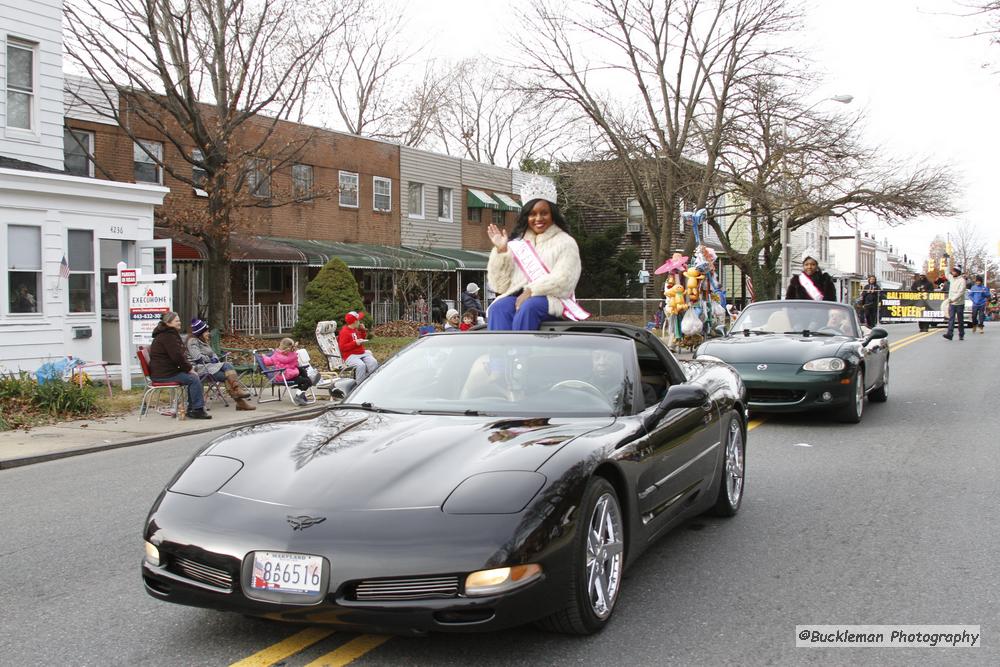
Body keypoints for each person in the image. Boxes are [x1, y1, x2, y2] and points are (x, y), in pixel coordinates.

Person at [486, 177, 585, 330]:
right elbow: (499, 286)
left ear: (552, 215)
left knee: (529, 306)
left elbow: (565, 280)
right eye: (532, 214)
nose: (538, 218)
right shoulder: (517, 244)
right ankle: (501, 353)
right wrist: (502, 251)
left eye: (544, 213)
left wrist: (532, 291)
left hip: (553, 300)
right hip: (519, 299)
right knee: (498, 308)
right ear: (526, 217)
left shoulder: (565, 242)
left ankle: (521, 352)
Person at [148, 311, 211, 419]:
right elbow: (177, 357)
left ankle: (193, 408)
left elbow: (178, 357)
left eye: (179, 320)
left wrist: (187, 368)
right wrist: (189, 368)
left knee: (193, 377)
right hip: (164, 374)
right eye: (177, 321)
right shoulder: (168, 337)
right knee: (194, 378)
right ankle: (196, 410)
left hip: (164, 371)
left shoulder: (167, 334)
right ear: (168, 323)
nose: (179, 322)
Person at [185, 318, 255, 411]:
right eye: (206, 331)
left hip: (209, 367)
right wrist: (211, 359)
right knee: (227, 366)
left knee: (227, 376)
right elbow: (197, 358)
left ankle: (240, 400)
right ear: (200, 333)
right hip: (198, 369)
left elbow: (213, 353)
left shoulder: (204, 341)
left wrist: (214, 358)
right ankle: (239, 397)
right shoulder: (193, 342)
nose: (208, 333)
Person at [261, 338, 313, 405]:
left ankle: (303, 390)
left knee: (302, 371)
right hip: (284, 376)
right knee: (306, 380)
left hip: (289, 373)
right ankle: (300, 394)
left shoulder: (276, 355)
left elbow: (268, 362)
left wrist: (264, 357)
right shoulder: (290, 355)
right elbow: (294, 362)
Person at [338, 311, 379, 382]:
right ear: (354, 322)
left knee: (373, 362)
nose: (360, 321)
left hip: (360, 353)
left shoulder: (354, 329)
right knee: (361, 365)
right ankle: (360, 384)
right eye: (358, 320)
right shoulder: (344, 332)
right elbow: (342, 348)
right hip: (350, 355)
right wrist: (355, 343)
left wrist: (362, 330)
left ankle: (372, 381)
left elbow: (361, 338)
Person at [942, 266, 967, 341]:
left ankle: (961, 334)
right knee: (951, 319)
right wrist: (947, 266)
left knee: (960, 320)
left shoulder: (962, 281)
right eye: (952, 271)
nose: (952, 273)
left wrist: (953, 299)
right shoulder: (952, 278)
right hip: (952, 304)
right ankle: (950, 334)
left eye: (954, 271)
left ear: (958, 272)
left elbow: (961, 292)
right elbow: (947, 274)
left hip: (959, 303)